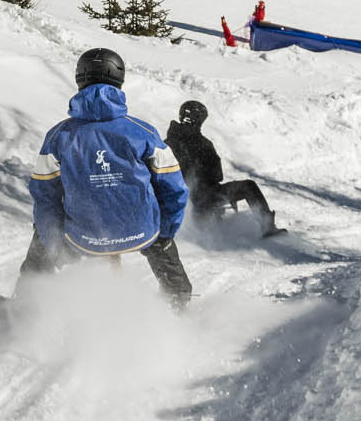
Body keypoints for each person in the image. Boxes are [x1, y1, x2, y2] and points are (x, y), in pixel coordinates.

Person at [16, 47, 192, 309]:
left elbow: (45, 195)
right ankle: (177, 300)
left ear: (80, 79)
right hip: (142, 231)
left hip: (83, 235)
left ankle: (28, 304)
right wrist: (164, 232)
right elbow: (174, 188)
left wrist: (53, 242)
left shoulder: (59, 136)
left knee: (43, 231)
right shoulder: (142, 132)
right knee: (160, 241)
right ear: (119, 81)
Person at [164, 100, 279, 240]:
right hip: (201, 199)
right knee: (248, 186)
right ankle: (268, 227)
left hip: (184, 203)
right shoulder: (202, 143)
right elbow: (217, 175)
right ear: (199, 120)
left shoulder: (167, 142)